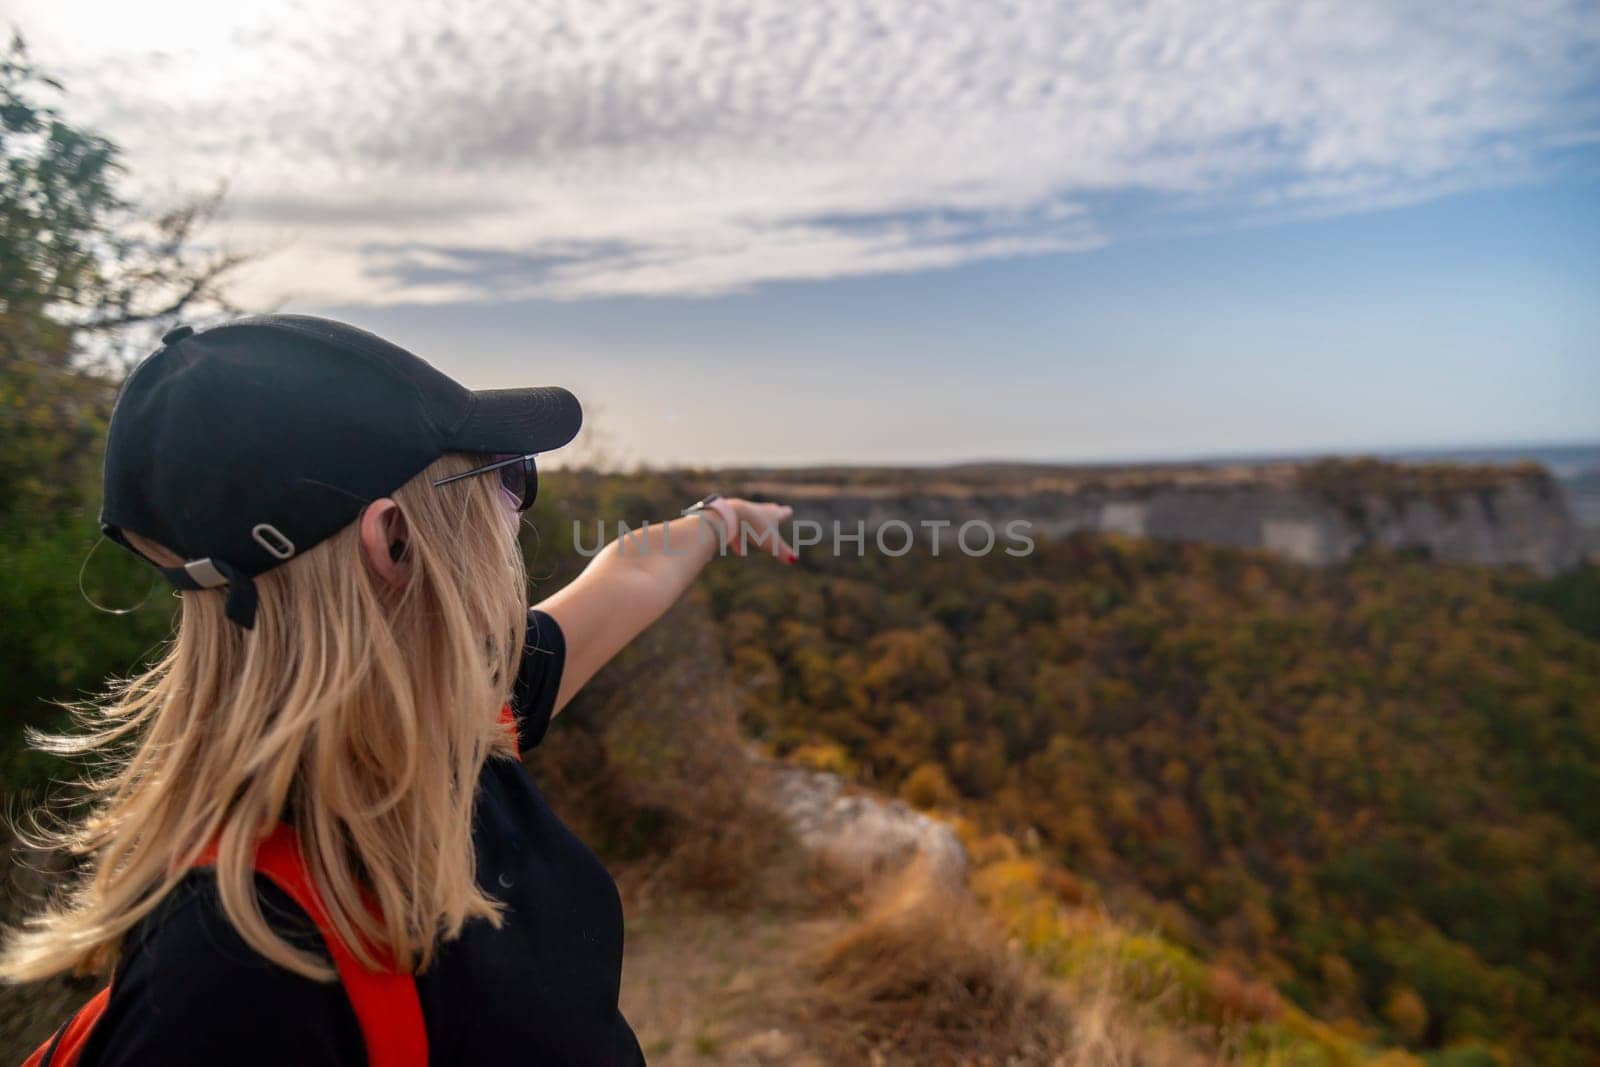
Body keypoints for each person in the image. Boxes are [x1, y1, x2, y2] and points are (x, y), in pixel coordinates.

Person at [1, 315, 796, 1065]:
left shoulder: (448, 707)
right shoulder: (233, 977)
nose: (516, 509)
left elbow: (632, 569)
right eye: (504, 475)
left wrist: (719, 518)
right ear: (394, 538)